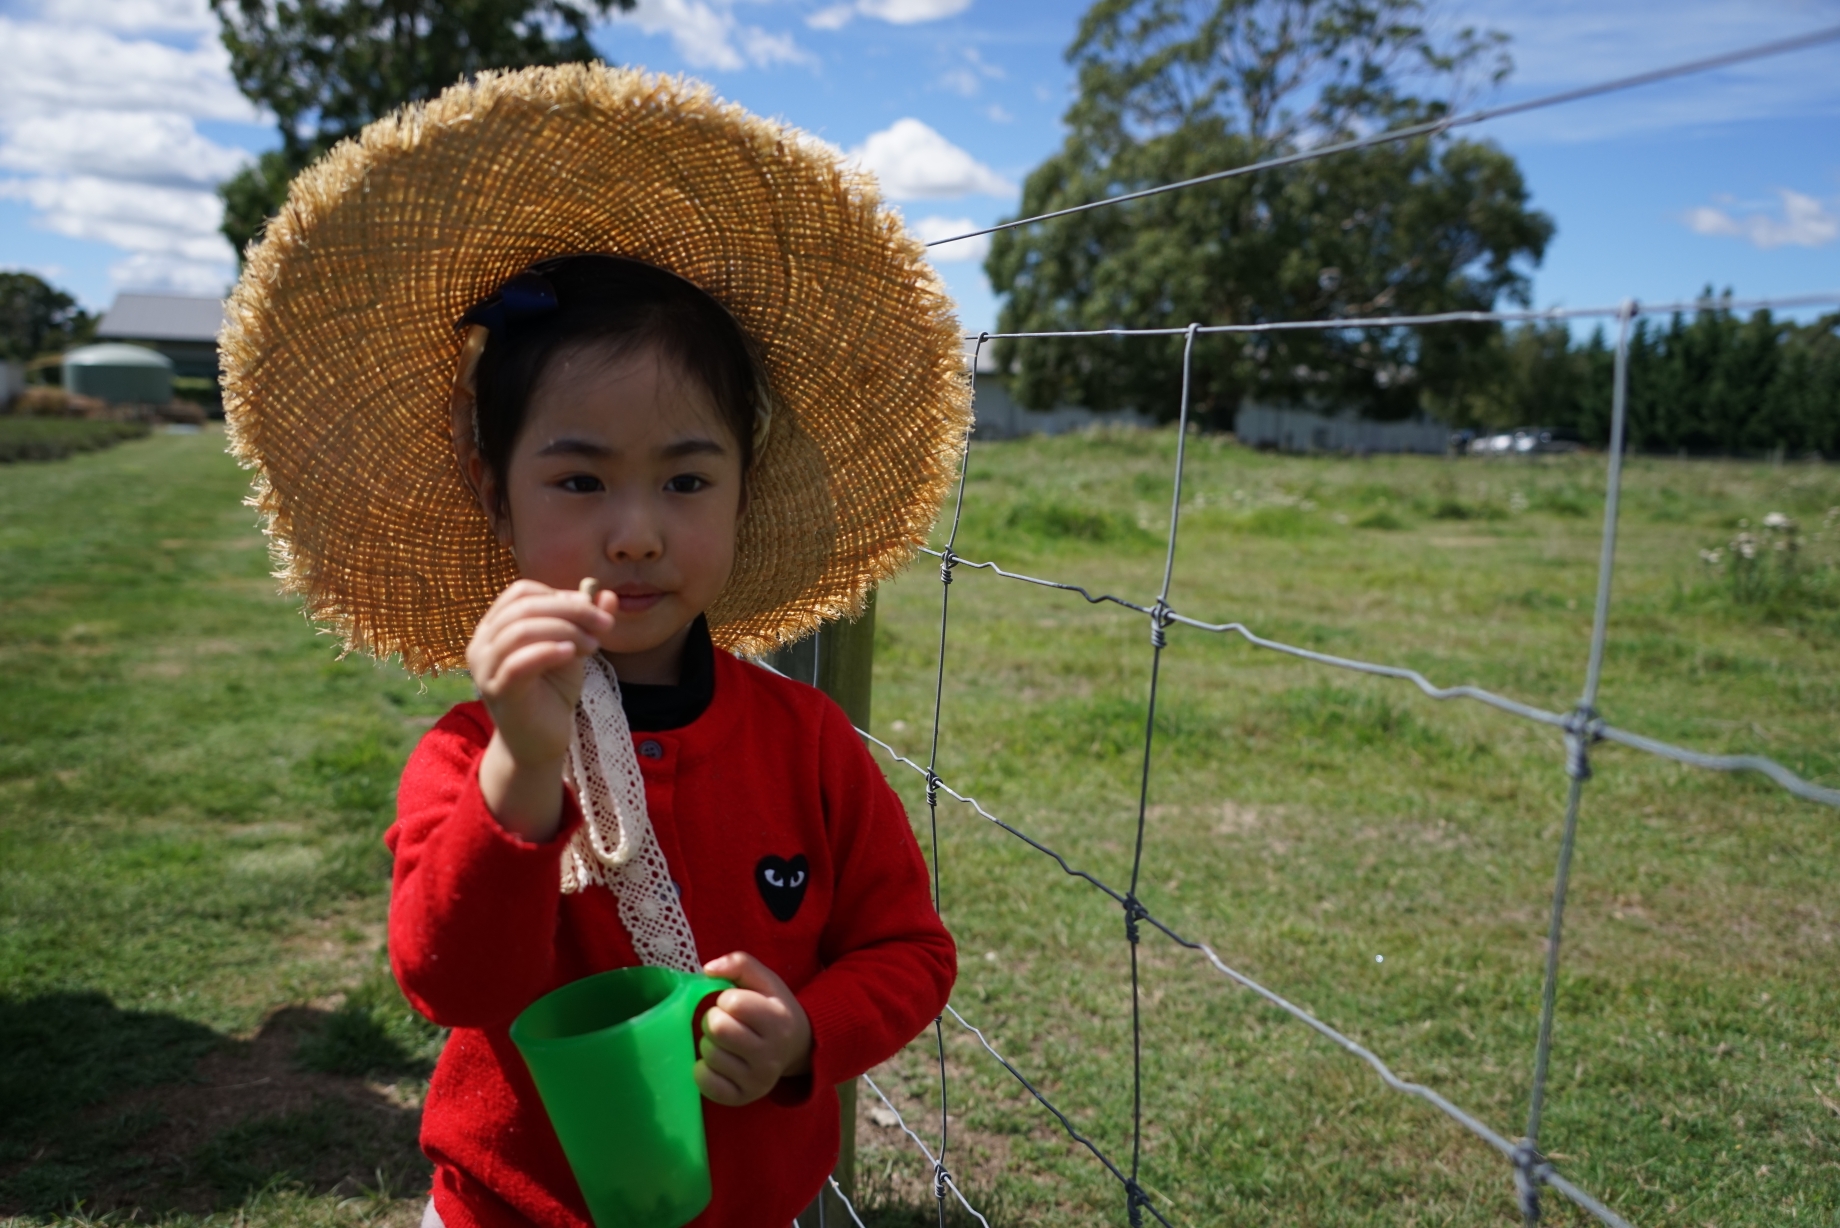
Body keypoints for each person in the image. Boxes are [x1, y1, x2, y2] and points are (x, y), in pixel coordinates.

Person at [220, 65, 972, 1228]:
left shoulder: (806, 742)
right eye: (578, 479)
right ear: (494, 490)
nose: (636, 531)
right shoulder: (471, 752)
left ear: (743, 487)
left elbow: (908, 946)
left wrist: (809, 1030)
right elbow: (452, 983)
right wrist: (521, 773)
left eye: (685, 477)